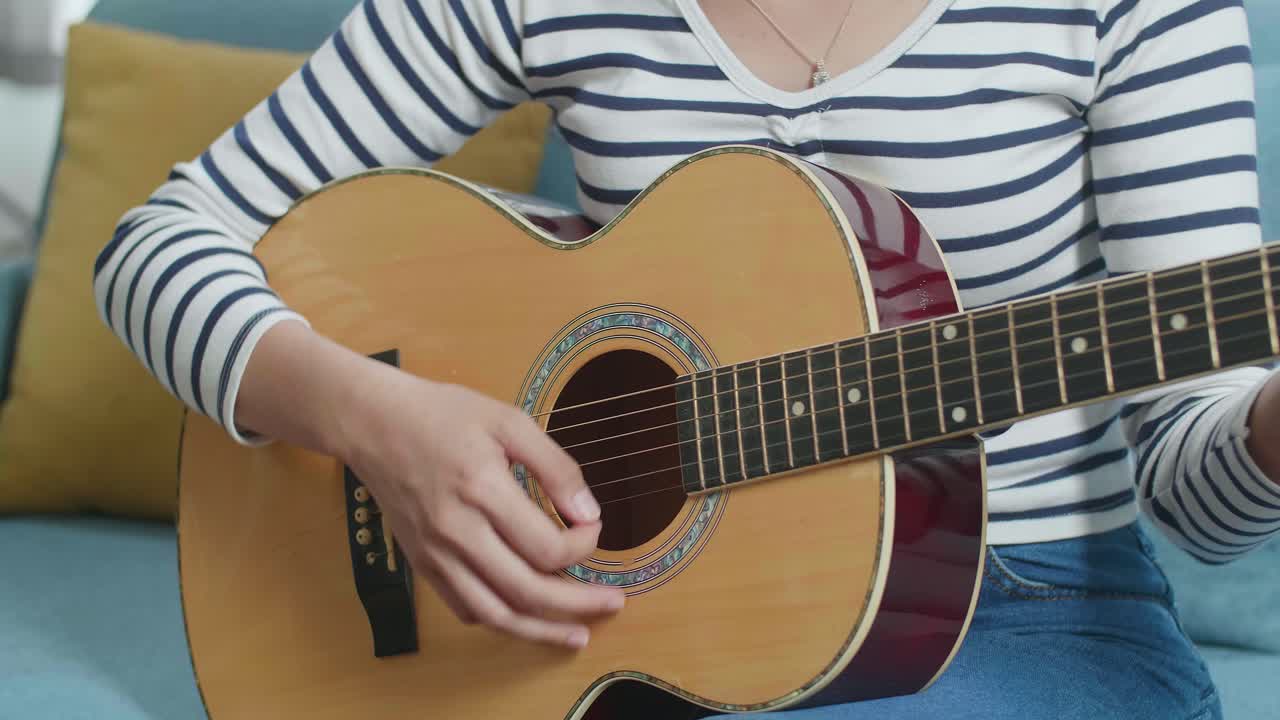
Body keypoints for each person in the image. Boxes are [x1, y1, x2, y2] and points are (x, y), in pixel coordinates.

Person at [93, 0, 1280, 717]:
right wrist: (374, 423)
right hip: (623, 625)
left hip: (1014, 610)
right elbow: (155, 246)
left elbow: (1200, 499)